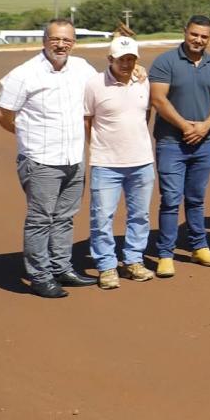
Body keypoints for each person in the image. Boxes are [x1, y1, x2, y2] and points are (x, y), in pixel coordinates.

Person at [0, 18, 101, 298]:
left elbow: (105, 85)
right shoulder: (24, 74)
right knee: (40, 219)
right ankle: (40, 276)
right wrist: (25, 135)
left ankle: (61, 267)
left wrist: (134, 71)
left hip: (74, 158)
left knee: (65, 217)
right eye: (55, 39)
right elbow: (3, 114)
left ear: (74, 43)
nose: (61, 45)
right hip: (41, 160)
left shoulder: (81, 68)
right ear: (44, 41)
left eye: (67, 40)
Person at [149, 15, 210, 275]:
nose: (198, 40)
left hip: (204, 143)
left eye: (204, 36)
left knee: (196, 198)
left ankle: (199, 247)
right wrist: (185, 126)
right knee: (170, 199)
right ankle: (165, 254)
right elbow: (158, 100)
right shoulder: (165, 62)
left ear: (209, 38)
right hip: (172, 143)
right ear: (185, 32)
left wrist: (204, 126)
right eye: (194, 34)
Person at [84, 34, 156, 289]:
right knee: (102, 217)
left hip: (142, 161)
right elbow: (87, 119)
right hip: (106, 163)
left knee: (140, 215)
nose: (126, 64)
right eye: (120, 59)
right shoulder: (94, 84)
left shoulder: (143, 81)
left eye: (131, 59)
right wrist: (97, 148)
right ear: (109, 59)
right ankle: (106, 266)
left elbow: (145, 114)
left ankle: (134, 260)